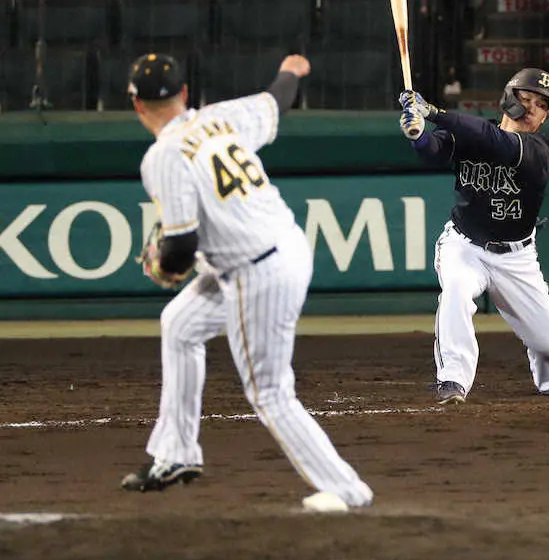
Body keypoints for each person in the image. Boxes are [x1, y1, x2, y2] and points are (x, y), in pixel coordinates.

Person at [120, 53, 373, 513]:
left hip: (258, 273)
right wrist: (292, 70)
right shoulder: (223, 116)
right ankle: (176, 454)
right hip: (283, 245)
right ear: (184, 94)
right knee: (180, 324)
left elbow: (180, 246)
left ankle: (347, 491)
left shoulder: (162, 156)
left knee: (270, 392)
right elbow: (278, 100)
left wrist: (165, 268)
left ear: (136, 106)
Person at [397, 69, 549, 404]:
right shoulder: (471, 134)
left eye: (541, 105)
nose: (531, 108)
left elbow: (492, 139)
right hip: (465, 245)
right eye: (525, 99)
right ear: (508, 99)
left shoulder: (539, 149)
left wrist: (433, 113)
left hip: (517, 257)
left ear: (546, 117)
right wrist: (418, 135)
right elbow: (433, 151)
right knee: (456, 291)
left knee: (548, 345)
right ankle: (453, 380)